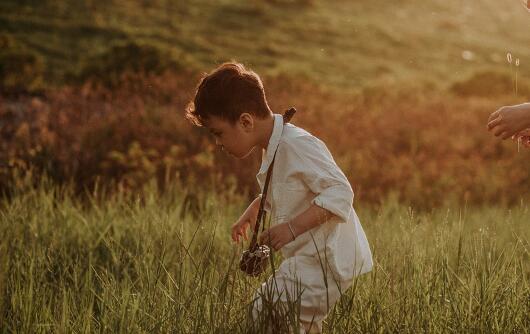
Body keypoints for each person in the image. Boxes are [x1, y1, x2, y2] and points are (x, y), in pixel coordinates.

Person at [185, 62, 373, 333]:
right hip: (310, 258)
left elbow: (340, 193)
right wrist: (256, 206)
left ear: (246, 121)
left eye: (218, 133)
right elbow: (291, 186)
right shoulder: (275, 143)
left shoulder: (296, 144)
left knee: (265, 309)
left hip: (328, 259)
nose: (218, 143)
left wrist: (291, 228)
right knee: (291, 322)